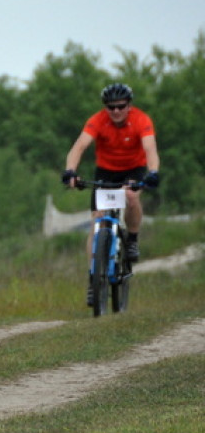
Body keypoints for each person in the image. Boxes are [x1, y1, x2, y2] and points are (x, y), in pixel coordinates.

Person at [62, 82, 160, 305]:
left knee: (132, 197)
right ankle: (93, 279)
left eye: (120, 106)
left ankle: (132, 238)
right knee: (97, 220)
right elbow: (79, 147)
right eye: (110, 107)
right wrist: (70, 172)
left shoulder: (141, 120)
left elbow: (150, 149)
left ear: (129, 106)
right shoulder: (97, 120)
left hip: (133, 169)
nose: (115, 111)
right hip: (106, 172)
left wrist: (153, 172)